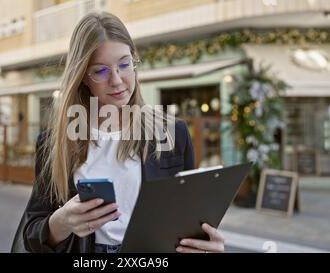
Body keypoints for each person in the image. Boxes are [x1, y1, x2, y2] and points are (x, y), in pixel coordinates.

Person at [11, 11, 224, 253]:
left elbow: (190, 218)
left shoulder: (173, 133)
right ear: (83, 77)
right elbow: (31, 236)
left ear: (134, 61)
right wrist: (60, 222)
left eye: (124, 64)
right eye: (100, 71)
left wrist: (206, 245)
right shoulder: (55, 144)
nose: (117, 80)